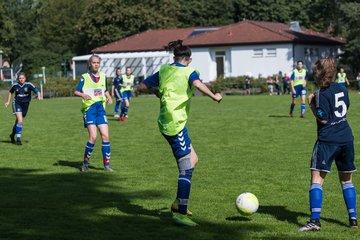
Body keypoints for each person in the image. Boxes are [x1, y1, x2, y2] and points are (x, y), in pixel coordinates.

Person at [138, 40, 222, 227]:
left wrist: (157, 92)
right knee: (186, 168)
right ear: (189, 59)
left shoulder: (164, 70)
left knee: (194, 159)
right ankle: (181, 214)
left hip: (167, 122)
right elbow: (199, 85)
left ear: (174, 57)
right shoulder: (189, 72)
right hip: (174, 126)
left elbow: (142, 86)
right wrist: (215, 97)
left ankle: (177, 204)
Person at [299, 58, 357, 232]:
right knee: (346, 179)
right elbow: (346, 107)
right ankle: (353, 219)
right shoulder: (342, 88)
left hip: (328, 140)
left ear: (319, 73)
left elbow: (323, 118)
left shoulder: (319, 94)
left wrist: (311, 104)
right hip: (346, 137)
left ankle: (315, 220)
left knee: (317, 179)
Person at [74, 54, 113, 172]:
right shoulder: (85, 77)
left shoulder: (103, 76)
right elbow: (76, 91)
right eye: (94, 62)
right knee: (93, 137)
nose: (96, 64)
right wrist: (83, 95)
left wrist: (109, 96)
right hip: (89, 110)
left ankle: (106, 165)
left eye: (98, 63)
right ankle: (85, 163)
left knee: (105, 136)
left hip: (100, 109)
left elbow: (104, 90)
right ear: (90, 64)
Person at [4, 72, 41, 145]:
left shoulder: (29, 85)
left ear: (25, 78)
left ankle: (12, 135)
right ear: (18, 79)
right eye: (20, 78)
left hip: (26, 105)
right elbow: (10, 92)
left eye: (23, 78)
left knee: (18, 122)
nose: (21, 79)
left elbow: (37, 90)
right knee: (20, 121)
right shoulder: (15, 85)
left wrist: (39, 96)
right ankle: (18, 140)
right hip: (17, 103)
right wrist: (8, 101)